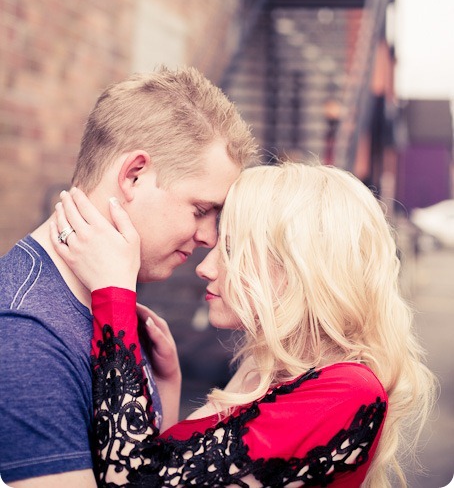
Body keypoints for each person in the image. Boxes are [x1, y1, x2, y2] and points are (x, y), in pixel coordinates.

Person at [52, 161, 436, 487]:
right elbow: (167, 466)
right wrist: (170, 385)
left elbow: (132, 480)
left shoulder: (347, 392)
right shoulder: (264, 367)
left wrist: (114, 292)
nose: (205, 267)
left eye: (232, 250)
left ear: (298, 268)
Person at [0, 67, 257, 487]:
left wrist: (166, 389)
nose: (210, 236)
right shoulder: (27, 333)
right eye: (200, 210)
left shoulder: (110, 303)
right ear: (133, 175)